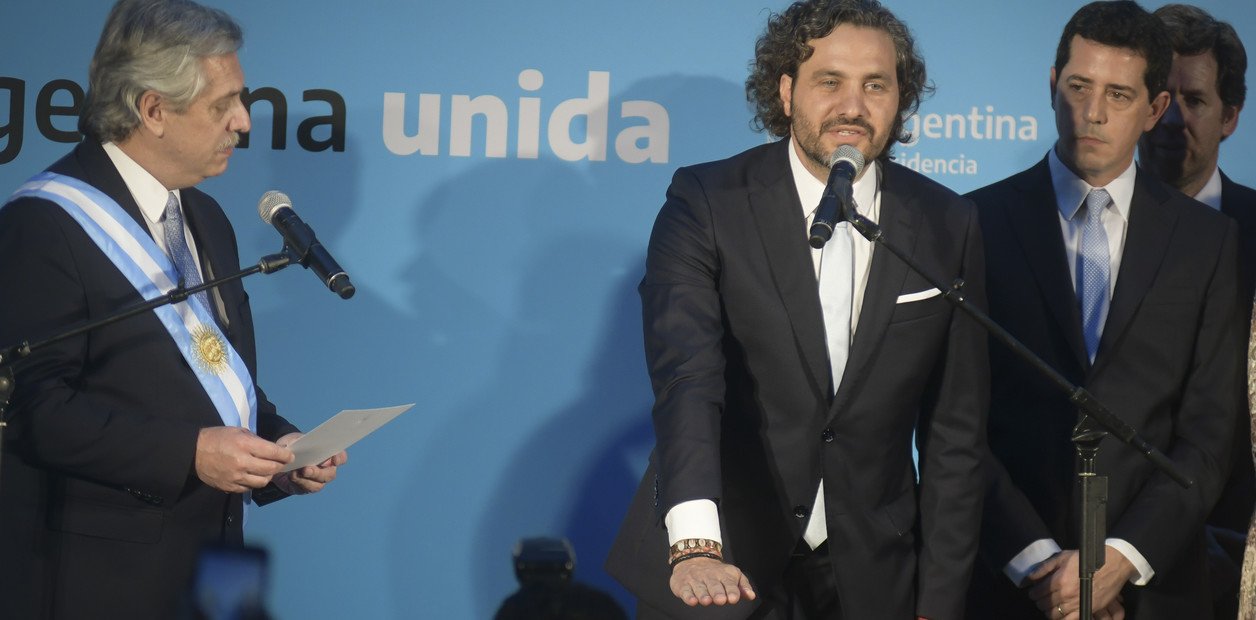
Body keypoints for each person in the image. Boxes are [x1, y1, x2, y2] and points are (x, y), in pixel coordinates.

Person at [605, 0, 989, 617]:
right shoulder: (707, 202)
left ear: (901, 98)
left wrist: (939, 600)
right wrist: (697, 545)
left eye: (875, 85)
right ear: (786, 92)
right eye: (829, 82)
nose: (853, 107)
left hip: (872, 575)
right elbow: (688, 381)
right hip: (723, 560)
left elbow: (955, 430)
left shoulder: (948, 221)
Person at [0, 1, 347, 618]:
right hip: (103, 579)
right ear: (154, 110)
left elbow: (217, 380)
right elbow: (33, 409)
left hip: (217, 570)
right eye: (223, 104)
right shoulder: (43, 224)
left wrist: (280, 450)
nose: (243, 121)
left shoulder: (206, 217)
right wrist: (189, 453)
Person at [967, 2, 1244, 618]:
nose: (1092, 112)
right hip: (1005, 584)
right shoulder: (973, 222)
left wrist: (1118, 560)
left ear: (1155, 109)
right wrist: (1040, 565)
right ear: (1052, 85)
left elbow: (1209, 434)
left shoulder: (1207, 241)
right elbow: (954, 425)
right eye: (1078, 87)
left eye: (1118, 95)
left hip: (1153, 587)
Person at [1137, 6, 1254, 617]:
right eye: (1162, 97)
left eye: (1196, 100)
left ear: (1231, 116)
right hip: (1102, 552)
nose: (1173, 117)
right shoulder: (1078, 226)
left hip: (1237, 552)